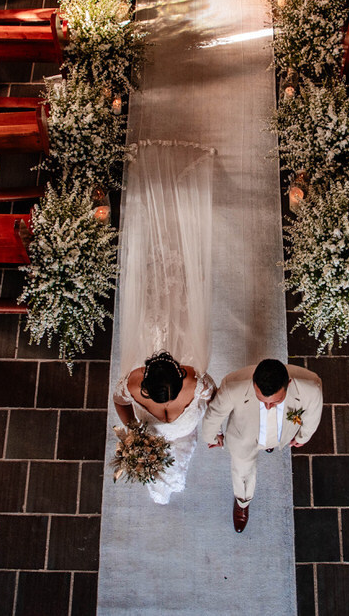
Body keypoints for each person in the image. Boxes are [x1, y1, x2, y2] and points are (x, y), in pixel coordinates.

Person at [111, 140, 216, 503]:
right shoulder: (172, 379)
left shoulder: (161, 380)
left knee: (166, 311)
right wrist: (133, 432)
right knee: (171, 312)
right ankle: (166, 481)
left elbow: (211, 396)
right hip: (168, 434)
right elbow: (211, 396)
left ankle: (168, 483)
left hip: (175, 433)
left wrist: (135, 430)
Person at [200, 359, 323, 532]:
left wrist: (303, 437)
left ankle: (270, 443)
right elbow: (214, 414)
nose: (268, 407)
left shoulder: (311, 387)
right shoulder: (232, 385)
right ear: (253, 383)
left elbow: (312, 414)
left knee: (272, 438)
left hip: (282, 433)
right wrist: (212, 436)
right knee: (242, 471)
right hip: (244, 437)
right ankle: (243, 501)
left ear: (288, 384)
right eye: (262, 400)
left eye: (274, 402)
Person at [113, 351, 215, 504]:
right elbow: (120, 401)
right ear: (145, 388)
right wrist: (132, 429)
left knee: (179, 466)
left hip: (184, 432)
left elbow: (213, 401)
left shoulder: (197, 381)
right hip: (152, 435)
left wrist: (215, 429)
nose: (167, 405)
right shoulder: (131, 384)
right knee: (154, 471)